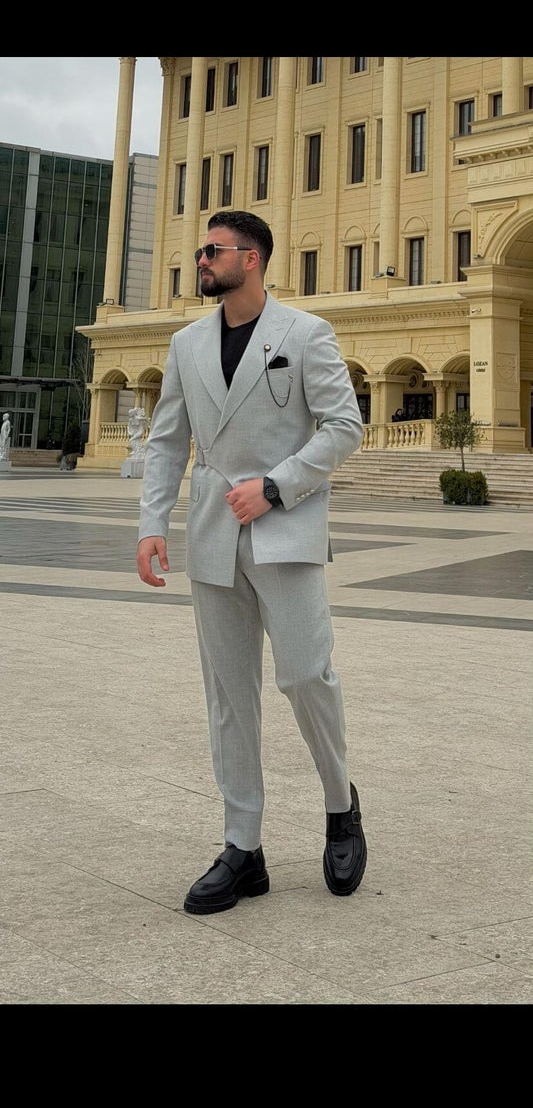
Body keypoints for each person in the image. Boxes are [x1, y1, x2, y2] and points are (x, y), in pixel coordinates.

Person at [137, 211, 367, 914]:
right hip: (212, 530)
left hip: (285, 527)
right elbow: (167, 439)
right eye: (201, 251)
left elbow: (344, 426)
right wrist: (152, 522)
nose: (201, 260)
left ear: (252, 258)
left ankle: (339, 805)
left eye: (212, 251)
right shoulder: (184, 342)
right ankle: (243, 848)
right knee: (228, 697)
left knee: (304, 676)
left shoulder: (304, 334)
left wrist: (276, 485)